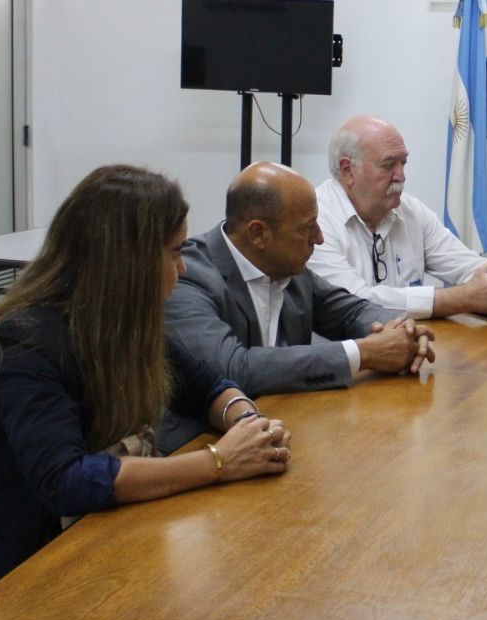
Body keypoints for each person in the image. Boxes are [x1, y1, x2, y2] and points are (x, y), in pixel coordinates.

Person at [0, 166, 289, 620]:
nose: (183, 269)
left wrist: (248, 423)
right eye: (173, 253)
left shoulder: (122, 325)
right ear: (127, 262)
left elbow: (208, 386)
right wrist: (220, 461)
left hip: (85, 550)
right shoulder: (24, 342)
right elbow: (67, 480)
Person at [163, 162, 433, 449]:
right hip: (204, 446)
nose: (319, 237)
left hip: (288, 432)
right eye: (307, 228)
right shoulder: (186, 277)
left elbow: (350, 311)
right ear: (258, 234)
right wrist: (364, 353)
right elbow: (233, 369)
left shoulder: (287, 267)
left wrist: (397, 330)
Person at [311, 116, 487, 318]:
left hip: (411, 341)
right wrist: (463, 298)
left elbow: (463, 264)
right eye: (388, 165)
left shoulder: (411, 211)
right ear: (348, 170)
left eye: (403, 163)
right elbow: (353, 302)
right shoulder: (315, 221)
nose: (401, 176)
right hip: (347, 345)